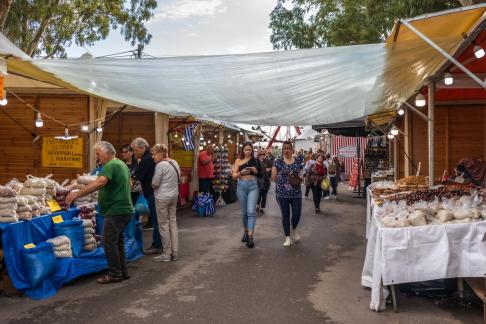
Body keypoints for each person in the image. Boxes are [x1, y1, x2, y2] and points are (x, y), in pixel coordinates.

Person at [66, 141, 133, 283]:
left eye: (98, 154)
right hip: (123, 209)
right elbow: (130, 184)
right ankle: (122, 272)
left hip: (116, 210)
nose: (97, 157)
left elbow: (100, 182)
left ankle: (115, 274)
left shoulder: (111, 165)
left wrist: (77, 194)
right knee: (117, 241)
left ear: (108, 152)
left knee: (108, 242)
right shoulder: (121, 164)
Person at [131, 137, 162, 255]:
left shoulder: (147, 159)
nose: (135, 153)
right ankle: (159, 244)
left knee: (156, 220)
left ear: (142, 147)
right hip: (153, 193)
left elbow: (135, 177)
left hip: (153, 193)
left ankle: (157, 245)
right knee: (156, 219)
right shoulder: (148, 158)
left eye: (135, 150)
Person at [151, 144, 181, 262]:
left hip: (162, 197)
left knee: (163, 225)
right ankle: (175, 252)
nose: (153, 157)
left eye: (154, 154)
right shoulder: (174, 162)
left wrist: (152, 185)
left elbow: (155, 183)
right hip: (174, 196)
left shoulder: (160, 165)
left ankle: (166, 253)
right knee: (173, 223)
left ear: (160, 153)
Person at [271, 141, 304, 247]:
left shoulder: (298, 161)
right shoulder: (278, 162)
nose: (286, 150)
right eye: (284, 148)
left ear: (292, 149)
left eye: (288, 148)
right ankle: (287, 237)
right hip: (282, 193)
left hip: (296, 192)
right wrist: (281, 184)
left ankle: (294, 228)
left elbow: (301, 174)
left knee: (296, 214)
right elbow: (273, 177)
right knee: (285, 215)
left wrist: (299, 178)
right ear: (282, 150)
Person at [232, 141, 262, 248]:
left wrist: (255, 171)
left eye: (250, 150)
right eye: (246, 150)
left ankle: (250, 237)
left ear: (252, 150)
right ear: (243, 150)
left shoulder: (256, 160)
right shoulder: (238, 161)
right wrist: (241, 173)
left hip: (253, 186)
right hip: (242, 187)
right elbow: (234, 176)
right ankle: (245, 231)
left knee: (251, 212)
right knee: (244, 212)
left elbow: (261, 174)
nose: (248, 152)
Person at [256, 149, 272, 214]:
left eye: (263, 154)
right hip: (258, 180)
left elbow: (271, 168)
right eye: (260, 154)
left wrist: (267, 170)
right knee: (258, 194)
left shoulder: (267, 161)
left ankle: (262, 208)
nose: (262, 155)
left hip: (266, 180)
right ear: (258, 155)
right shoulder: (256, 161)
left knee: (264, 195)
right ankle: (257, 205)